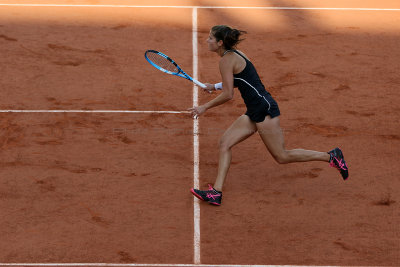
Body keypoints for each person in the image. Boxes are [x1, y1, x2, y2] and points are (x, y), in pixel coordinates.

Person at [188, 25, 348, 206]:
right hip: (256, 109)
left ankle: (331, 156)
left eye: (210, 38)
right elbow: (240, 80)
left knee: (282, 156)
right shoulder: (237, 54)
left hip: (263, 109)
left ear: (220, 43)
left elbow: (229, 94)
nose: (207, 41)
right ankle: (216, 193)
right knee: (225, 143)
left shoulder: (225, 61)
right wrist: (214, 86)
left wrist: (205, 107)